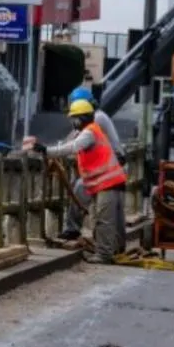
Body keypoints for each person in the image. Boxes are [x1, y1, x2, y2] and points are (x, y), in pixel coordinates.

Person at [34, 99, 127, 264]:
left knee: (104, 220)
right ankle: (118, 250)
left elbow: (72, 147)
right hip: (113, 181)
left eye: (73, 118)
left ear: (80, 118)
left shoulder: (89, 133)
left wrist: (46, 150)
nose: (72, 122)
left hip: (107, 183)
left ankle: (104, 255)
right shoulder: (93, 130)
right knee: (115, 219)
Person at [61, 87, 125, 241]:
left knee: (80, 188)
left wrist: (49, 150)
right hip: (113, 165)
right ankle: (117, 244)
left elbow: (73, 143)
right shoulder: (97, 116)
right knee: (114, 211)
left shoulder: (95, 119)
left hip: (108, 167)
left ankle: (73, 228)